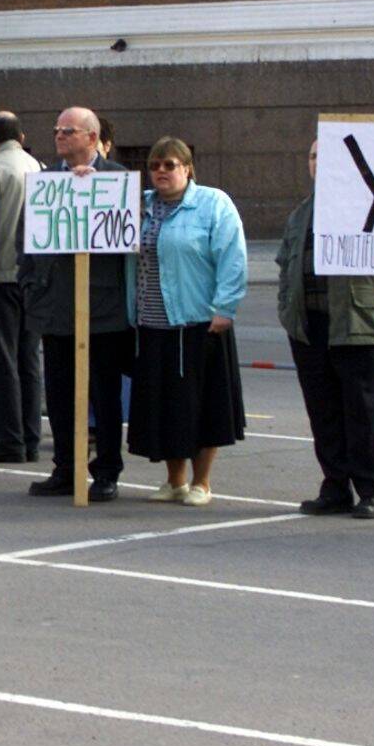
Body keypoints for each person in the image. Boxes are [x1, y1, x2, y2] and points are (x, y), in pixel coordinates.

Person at [127, 136, 247, 506]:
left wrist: (225, 307)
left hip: (197, 321)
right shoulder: (140, 206)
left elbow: (232, 255)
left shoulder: (213, 204)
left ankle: (203, 482)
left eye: (170, 165)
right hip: (151, 323)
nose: (161, 172)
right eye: (154, 166)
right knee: (164, 407)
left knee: (204, 405)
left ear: (187, 168)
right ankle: (175, 479)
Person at [19, 108, 132, 501]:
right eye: (56, 130)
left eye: (69, 131)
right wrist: (30, 282)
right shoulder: (47, 181)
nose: (59, 136)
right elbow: (28, 237)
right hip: (55, 304)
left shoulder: (117, 178)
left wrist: (97, 188)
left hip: (102, 306)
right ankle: (66, 468)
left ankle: (106, 472)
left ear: (92, 136)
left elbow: (129, 238)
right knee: (61, 392)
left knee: (103, 391)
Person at [278, 138, 374, 519]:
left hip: (355, 323)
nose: (317, 163)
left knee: (364, 412)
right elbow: (285, 265)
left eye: (326, 156)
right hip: (310, 327)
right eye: (312, 156)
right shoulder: (300, 214)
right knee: (323, 412)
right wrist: (286, 312)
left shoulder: (367, 207)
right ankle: (335, 485)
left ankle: (371, 489)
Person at [0, 111, 42, 463]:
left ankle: (10, 440)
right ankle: (31, 438)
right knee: (28, 359)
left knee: (1, 360)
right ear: (22, 134)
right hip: (32, 276)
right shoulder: (39, 166)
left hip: (1, 272)